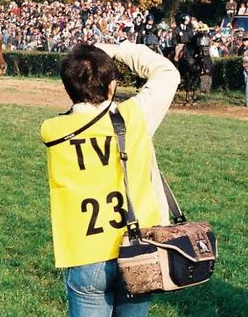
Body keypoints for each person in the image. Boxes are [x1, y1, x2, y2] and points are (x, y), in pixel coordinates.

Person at [41, 42, 179, 317]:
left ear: (69, 89)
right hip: (139, 245)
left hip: (86, 251)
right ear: (112, 87)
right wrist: (115, 49)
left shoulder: (53, 130)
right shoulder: (135, 117)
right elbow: (167, 72)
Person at [238, 36, 248, 107]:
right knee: (247, 84)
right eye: (244, 40)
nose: (245, 41)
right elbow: (242, 59)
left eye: (246, 40)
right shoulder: (242, 48)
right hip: (246, 68)